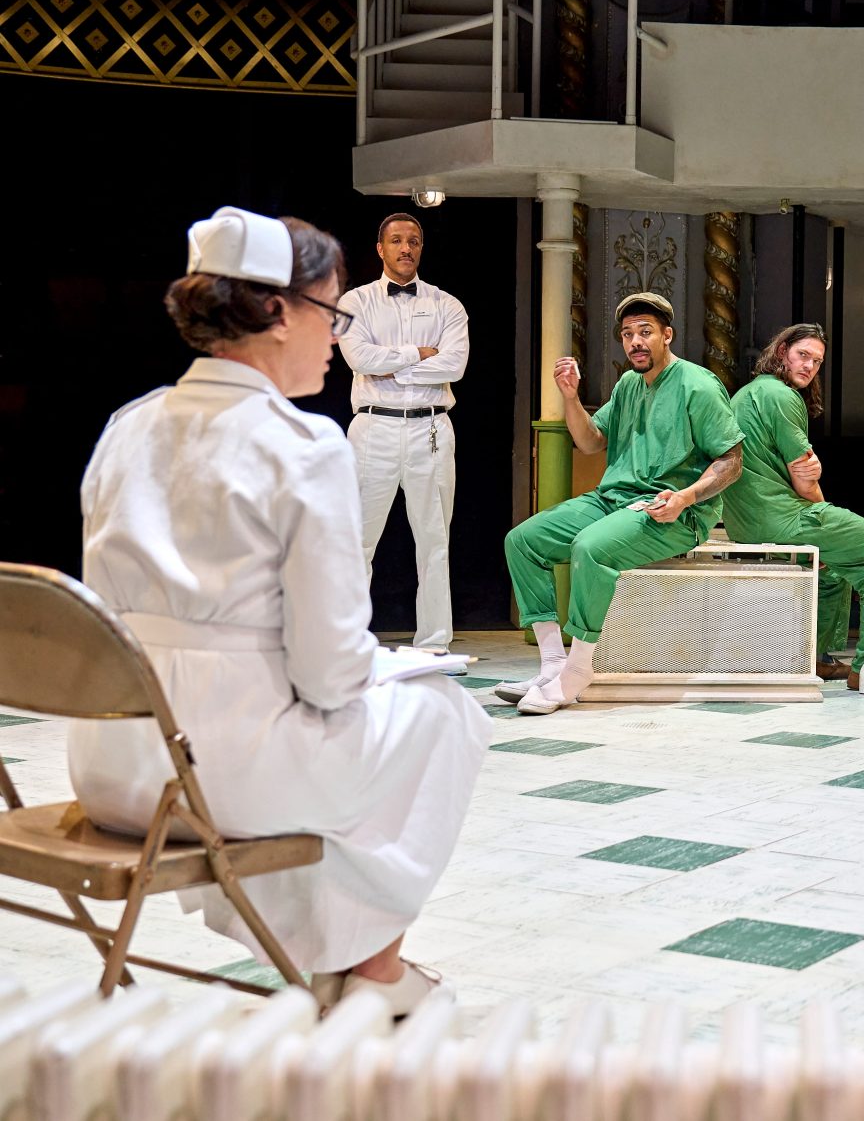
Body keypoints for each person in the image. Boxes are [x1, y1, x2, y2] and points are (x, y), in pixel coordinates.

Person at [68, 207, 491, 1015]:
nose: (335, 337)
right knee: (441, 714)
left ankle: (350, 963)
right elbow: (330, 673)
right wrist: (391, 672)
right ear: (275, 311)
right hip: (220, 776)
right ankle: (372, 969)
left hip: (115, 767)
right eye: (329, 314)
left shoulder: (127, 428)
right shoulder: (301, 445)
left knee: (353, 737)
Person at [498, 292, 745, 714]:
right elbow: (591, 442)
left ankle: (577, 669)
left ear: (667, 335)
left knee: (590, 547)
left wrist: (685, 497)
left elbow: (732, 461)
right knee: (523, 541)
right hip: (613, 499)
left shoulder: (698, 385)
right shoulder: (629, 383)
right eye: (628, 334)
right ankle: (552, 665)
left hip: (672, 509)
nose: (635, 342)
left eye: (645, 332)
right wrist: (571, 397)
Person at [722, 324, 864, 688]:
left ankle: (813, 658)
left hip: (745, 521)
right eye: (802, 355)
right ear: (781, 353)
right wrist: (822, 516)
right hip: (781, 517)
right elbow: (804, 478)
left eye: (817, 361)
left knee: (835, 571)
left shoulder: (747, 394)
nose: (809, 366)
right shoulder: (782, 397)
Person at [336, 213, 470, 665]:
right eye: (396, 240)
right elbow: (359, 357)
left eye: (413, 240)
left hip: (430, 427)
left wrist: (389, 364)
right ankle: (346, 640)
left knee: (434, 540)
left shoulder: (447, 305)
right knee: (357, 539)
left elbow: (454, 367)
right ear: (380, 248)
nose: (406, 248)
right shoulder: (354, 302)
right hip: (372, 426)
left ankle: (433, 643)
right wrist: (417, 354)